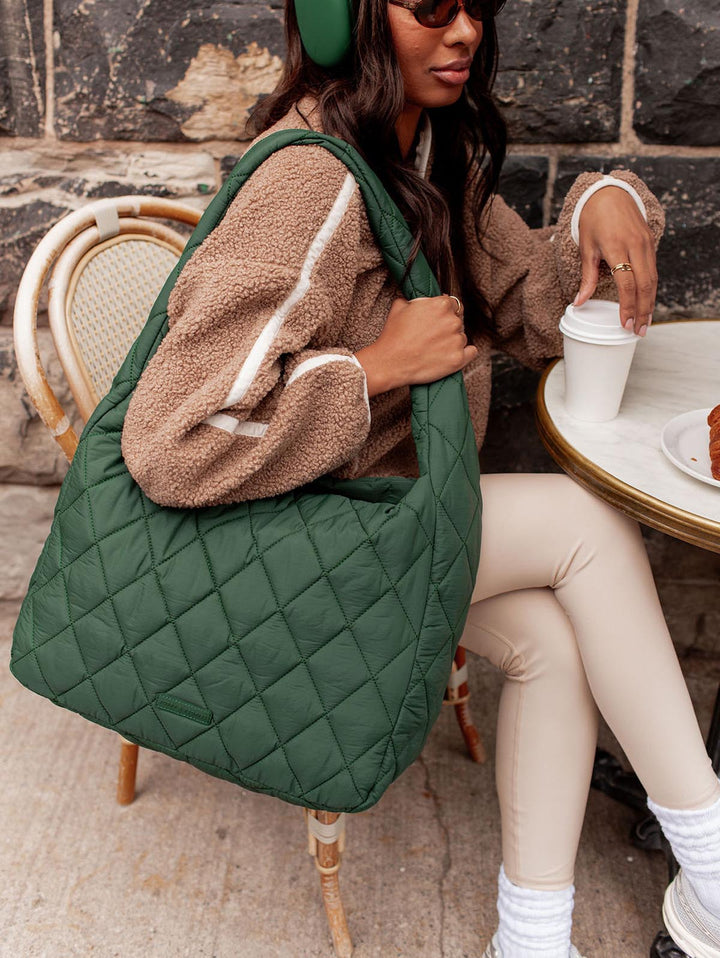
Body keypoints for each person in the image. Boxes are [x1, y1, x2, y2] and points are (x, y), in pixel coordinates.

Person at [121, 1, 720, 955]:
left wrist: (610, 197)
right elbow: (174, 439)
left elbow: (535, 307)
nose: (466, 31)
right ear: (345, 18)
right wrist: (376, 368)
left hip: (363, 526)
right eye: (429, 6)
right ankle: (717, 861)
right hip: (268, 544)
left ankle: (530, 941)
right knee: (584, 524)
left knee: (552, 644)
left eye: (475, 3)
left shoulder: (421, 159)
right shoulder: (311, 181)